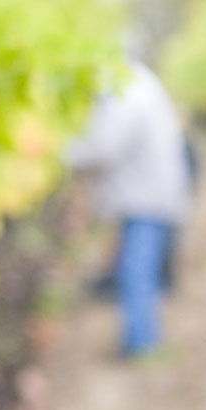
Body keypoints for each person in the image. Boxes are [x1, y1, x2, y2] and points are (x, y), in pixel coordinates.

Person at [62, 61, 192, 358]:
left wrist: (61, 152)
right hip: (150, 194)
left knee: (136, 271)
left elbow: (103, 145)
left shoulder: (128, 92)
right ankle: (142, 339)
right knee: (137, 268)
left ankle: (142, 343)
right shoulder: (139, 85)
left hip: (147, 199)